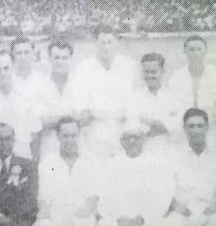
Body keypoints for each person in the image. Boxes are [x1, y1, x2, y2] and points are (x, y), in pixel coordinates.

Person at [73, 28, 138, 158]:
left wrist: (130, 115)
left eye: (109, 42)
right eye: (102, 42)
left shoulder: (129, 66)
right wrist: (88, 112)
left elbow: (135, 96)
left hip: (123, 128)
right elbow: (80, 99)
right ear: (95, 43)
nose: (106, 47)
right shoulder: (84, 68)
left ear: (116, 43)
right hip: (95, 129)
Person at [168, 35, 216, 145]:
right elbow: (173, 107)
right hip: (184, 131)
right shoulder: (176, 77)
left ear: (205, 51)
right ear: (185, 51)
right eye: (191, 49)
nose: (195, 53)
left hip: (211, 129)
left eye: (199, 49)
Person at [36, 40, 92, 160]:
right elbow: (39, 122)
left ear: (71, 59)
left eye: (64, 58)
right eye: (56, 57)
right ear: (49, 59)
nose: (60, 62)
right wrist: (71, 118)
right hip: (49, 148)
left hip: (77, 148)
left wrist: (55, 119)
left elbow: (86, 117)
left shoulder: (81, 84)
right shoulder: (40, 85)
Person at [0, 51, 42, 160]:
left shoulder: (27, 95)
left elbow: (35, 134)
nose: (2, 72)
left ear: (13, 67)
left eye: (6, 68)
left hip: (23, 156)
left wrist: (34, 165)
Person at [125, 53, 182, 148]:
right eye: (146, 72)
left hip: (170, 150)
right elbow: (133, 128)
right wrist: (163, 126)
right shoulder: (134, 98)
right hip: (144, 151)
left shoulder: (174, 96)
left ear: (162, 71)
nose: (149, 76)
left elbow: (178, 127)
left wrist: (149, 123)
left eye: (154, 72)